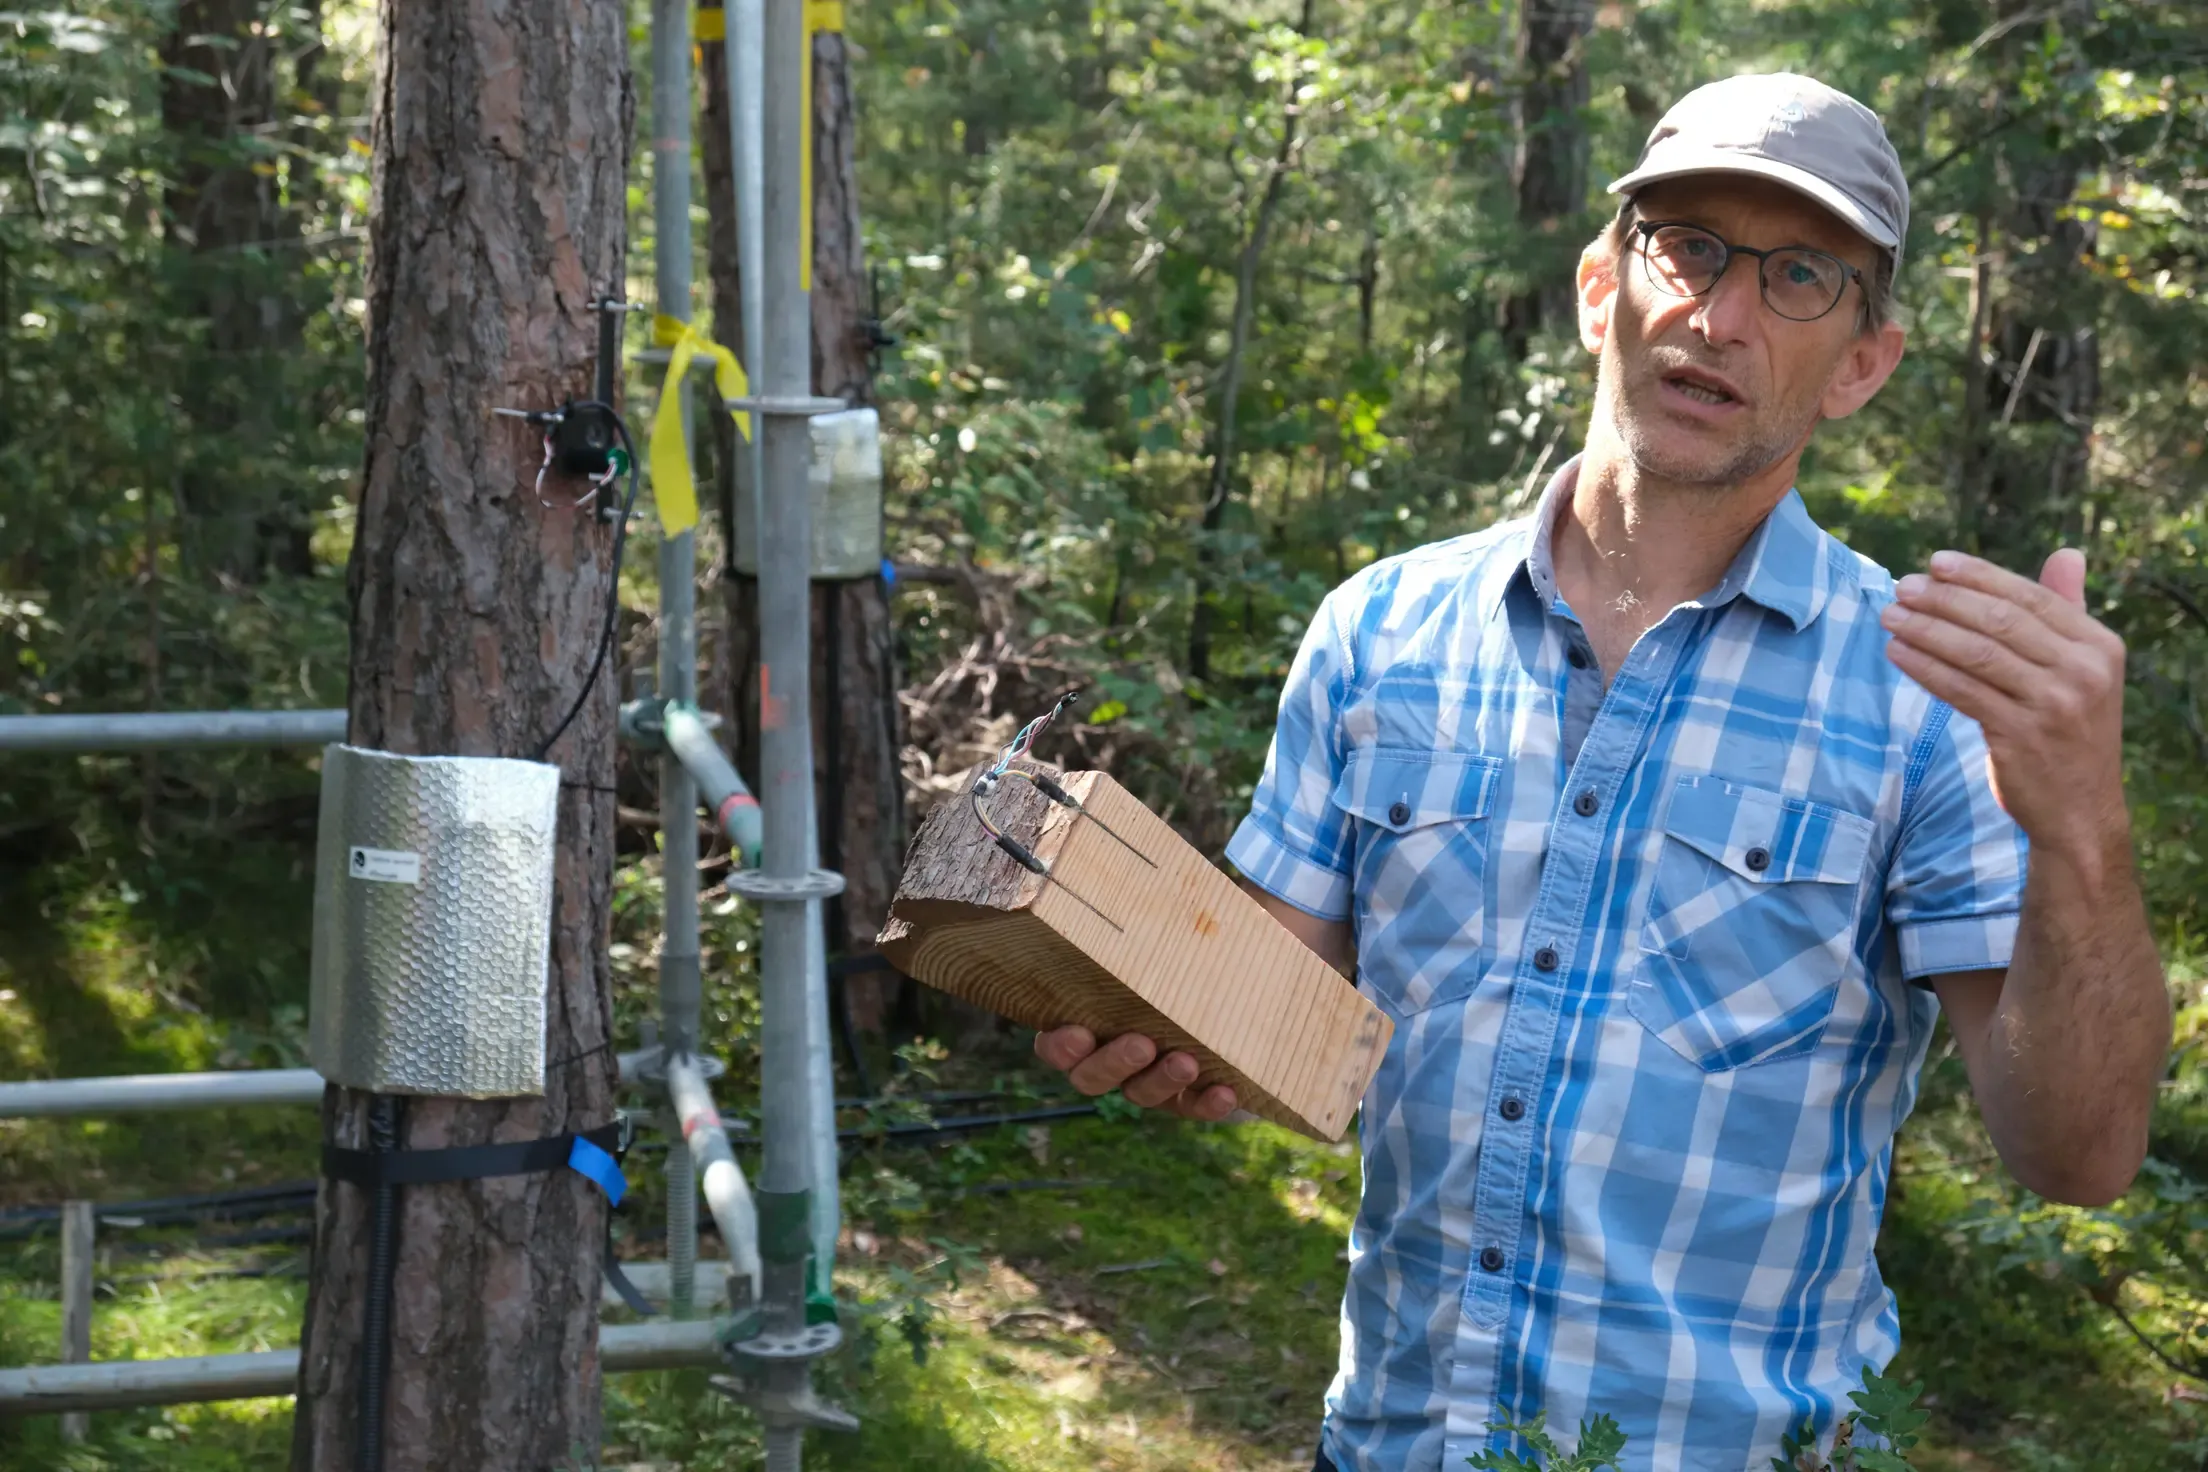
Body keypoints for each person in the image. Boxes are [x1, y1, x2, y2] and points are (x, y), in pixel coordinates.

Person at [1033, 72, 2172, 1471]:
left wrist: (2083, 827)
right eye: (1687, 248)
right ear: (1598, 289)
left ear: (1862, 365)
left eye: (1799, 277)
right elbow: (1266, 1017)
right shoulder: (1380, 632)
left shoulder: (1923, 701)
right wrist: (1142, 1019)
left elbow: (2080, 1155)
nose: (1722, 316)